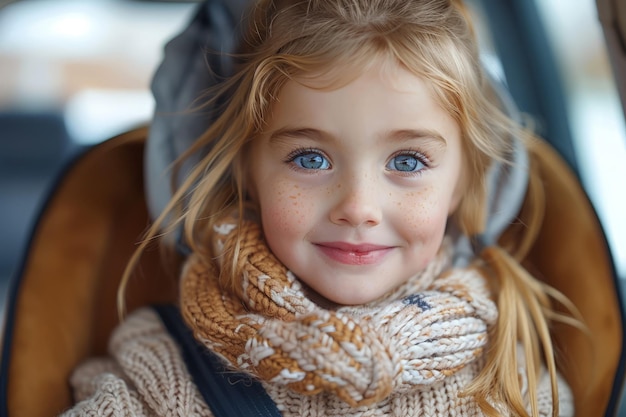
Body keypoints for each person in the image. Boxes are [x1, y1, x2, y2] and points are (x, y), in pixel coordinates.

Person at [61, 0, 580, 415]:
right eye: (310, 159)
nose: (358, 207)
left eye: (408, 159)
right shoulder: (162, 368)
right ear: (248, 173)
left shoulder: (507, 384)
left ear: (464, 183)